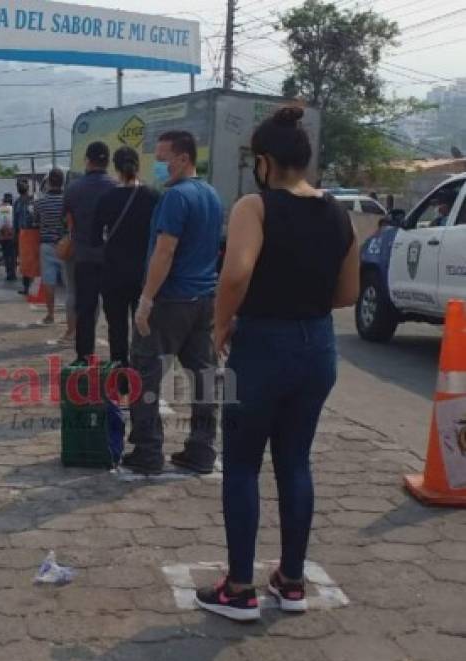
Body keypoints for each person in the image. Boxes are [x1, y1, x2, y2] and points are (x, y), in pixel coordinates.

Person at [195, 107, 359, 622]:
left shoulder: (255, 206)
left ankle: (239, 588)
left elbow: (235, 274)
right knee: (295, 462)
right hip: (318, 349)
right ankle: (291, 581)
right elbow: (348, 292)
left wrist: (221, 324)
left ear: (264, 162)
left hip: (264, 345)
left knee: (242, 464)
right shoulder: (338, 212)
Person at [124, 131, 222, 476]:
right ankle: (202, 449)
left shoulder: (176, 198)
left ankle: (148, 451)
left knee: (145, 375)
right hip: (203, 301)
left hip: (170, 302)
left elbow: (165, 251)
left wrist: (146, 300)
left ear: (183, 158)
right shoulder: (211, 195)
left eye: (163, 157)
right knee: (203, 378)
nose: (158, 164)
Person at [94, 146, 158, 392]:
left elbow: (93, 239)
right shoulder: (154, 196)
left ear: (116, 169)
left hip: (113, 274)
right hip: (145, 275)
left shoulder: (107, 199)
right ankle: (144, 379)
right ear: (138, 166)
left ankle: (120, 380)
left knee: (117, 330)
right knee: (143, 329)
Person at [64, 141, 118, 360]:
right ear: (108, 161)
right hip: (112, 260)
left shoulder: (74, 188)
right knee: (115, 314)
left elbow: (68, 222)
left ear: (87, 160)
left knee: (85, 310)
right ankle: (118, 361)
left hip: (84, 258)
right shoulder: (117, 187)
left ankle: (84, 358)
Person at [35, 168, 67, 326]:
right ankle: (70, 316)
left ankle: (50, 314)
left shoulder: (40, 202)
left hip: (46, 244)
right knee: (69, 282)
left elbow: (35, 221)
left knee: (49, 281)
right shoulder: (68, 201)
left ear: (48, 182)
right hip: (65, 245)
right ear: (63, 182)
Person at [14, 178, 37, 295]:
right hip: (22, 235)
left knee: (33, 262)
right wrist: (15, 235)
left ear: (28, 187)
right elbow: (15, 221)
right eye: (19, 184)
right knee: (24, 263)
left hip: (33, 234)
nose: (21, 186)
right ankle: (26, 287)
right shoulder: (17, 203)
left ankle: (34, 289)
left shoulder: (33, 201)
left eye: (23, 184)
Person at [0, 193, 17, 282]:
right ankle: (12, 273)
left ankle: (8, 272)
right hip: (11, 234)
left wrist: (0, 231)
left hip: (2, 235)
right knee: (12, 255)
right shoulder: (12, 209)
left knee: (6, 255)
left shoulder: (0, 209)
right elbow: (13, 222)